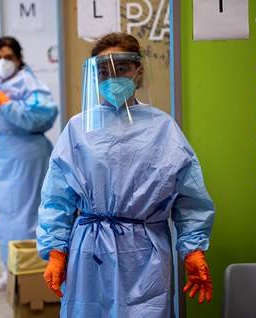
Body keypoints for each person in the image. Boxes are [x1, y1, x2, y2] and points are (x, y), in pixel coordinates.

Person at [37, 32, 215, 317]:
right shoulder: (78, 128)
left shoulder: (163, 128)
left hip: (146, 252)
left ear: (138, 71)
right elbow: (57, 197)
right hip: (90, 250)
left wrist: (193, 250)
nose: (112, 77)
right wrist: (56, 251)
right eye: (103, 70)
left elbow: (190, 196)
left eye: (121, 68)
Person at [0, 37, 58, 291]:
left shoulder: (30, 84)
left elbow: (41, 117)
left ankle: (35, 272)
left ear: (19, 59)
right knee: (6, 215)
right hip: (3, 158)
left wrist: (6, 105)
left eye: (8, 57)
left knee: (29, 214)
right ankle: (9, 269)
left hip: (28, 155)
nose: (2, 62)